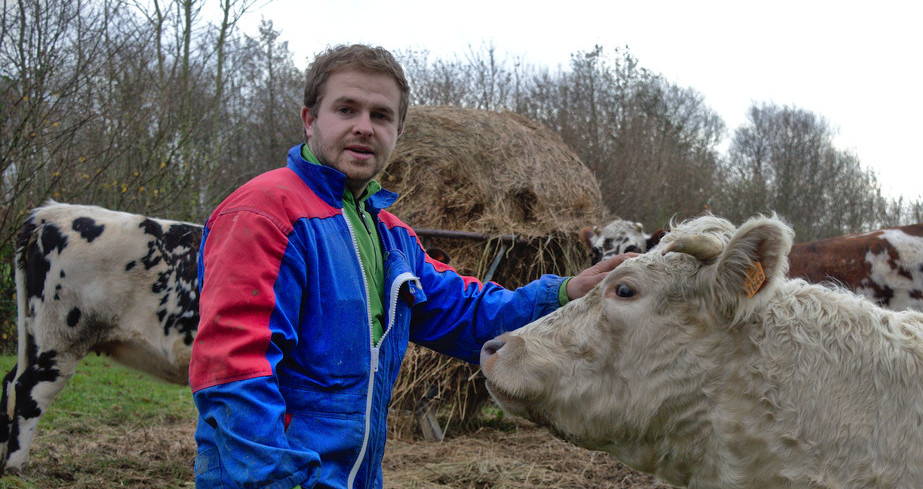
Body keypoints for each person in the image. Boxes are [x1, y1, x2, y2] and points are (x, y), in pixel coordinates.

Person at [188, 44, 629, 489]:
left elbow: (465, 313)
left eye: (381, 116)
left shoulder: (391, 235)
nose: (364, 127)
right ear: (309, 119)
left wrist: (564, 293)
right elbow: (234, 373)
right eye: (346, 109)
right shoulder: (264, 215)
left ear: (398, 130)